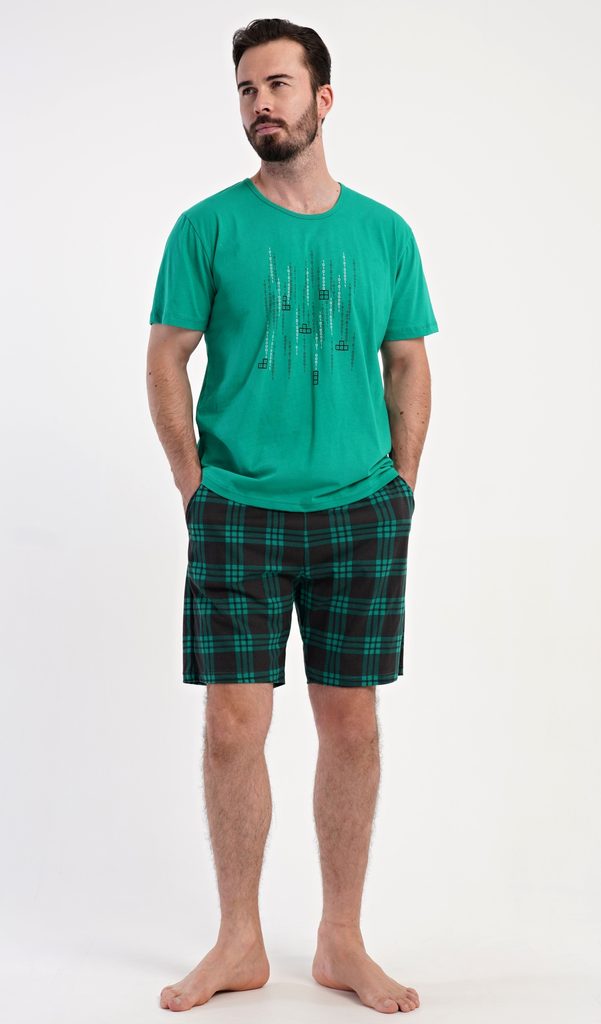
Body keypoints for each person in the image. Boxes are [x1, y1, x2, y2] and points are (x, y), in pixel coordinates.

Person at [147, 17, 438, 1015]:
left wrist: (401, 488)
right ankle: (239, 940)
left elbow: (409, 363)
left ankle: (340, 939)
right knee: (234, 726)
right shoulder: (206, 228)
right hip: (238, 510)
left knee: (350, 723)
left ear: (323, 98)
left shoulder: (386, 234)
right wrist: (196, 487)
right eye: (245, 89)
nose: (259, 103)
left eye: (276, 84)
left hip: (362, 511)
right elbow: (165, 357)